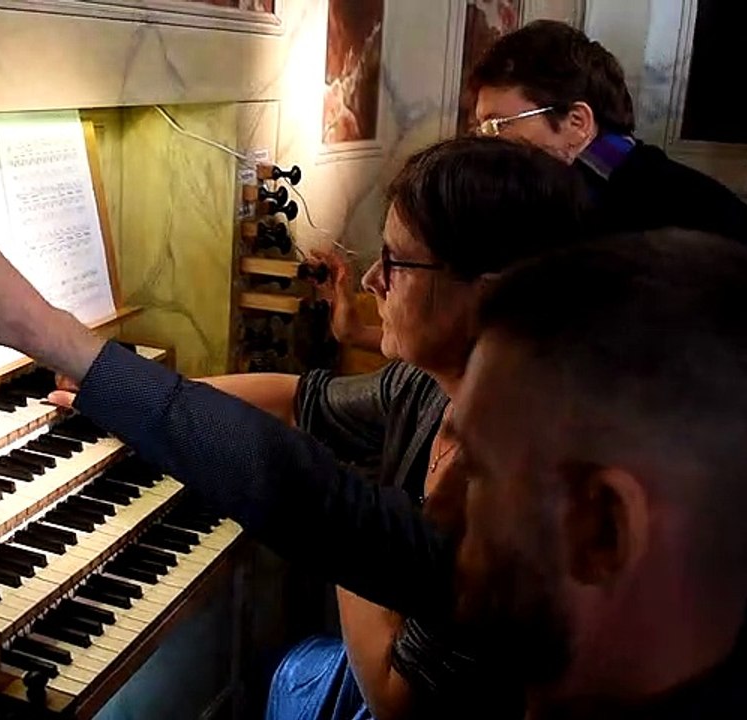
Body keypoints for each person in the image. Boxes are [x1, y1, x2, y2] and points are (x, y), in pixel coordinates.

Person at [0, 226, 747, 718]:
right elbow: (328, 505)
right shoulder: (604, 639)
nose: (438, 492)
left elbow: (343, 514)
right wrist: (53, 337)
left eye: (480, 467)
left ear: (602, 529)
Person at [47, 137, 593, 718]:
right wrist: (129, 389)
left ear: (489, 294)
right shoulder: (428, 385)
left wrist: (349, 502)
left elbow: (393, 698)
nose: (372, 281)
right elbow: (298, 400)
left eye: (396, 262)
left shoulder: (521, 494)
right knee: (286, 669)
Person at [465, 19, 747, 695]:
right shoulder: (626, 186)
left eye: (501, 126)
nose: (485, 148)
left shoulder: (634, 216)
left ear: (577, 123)